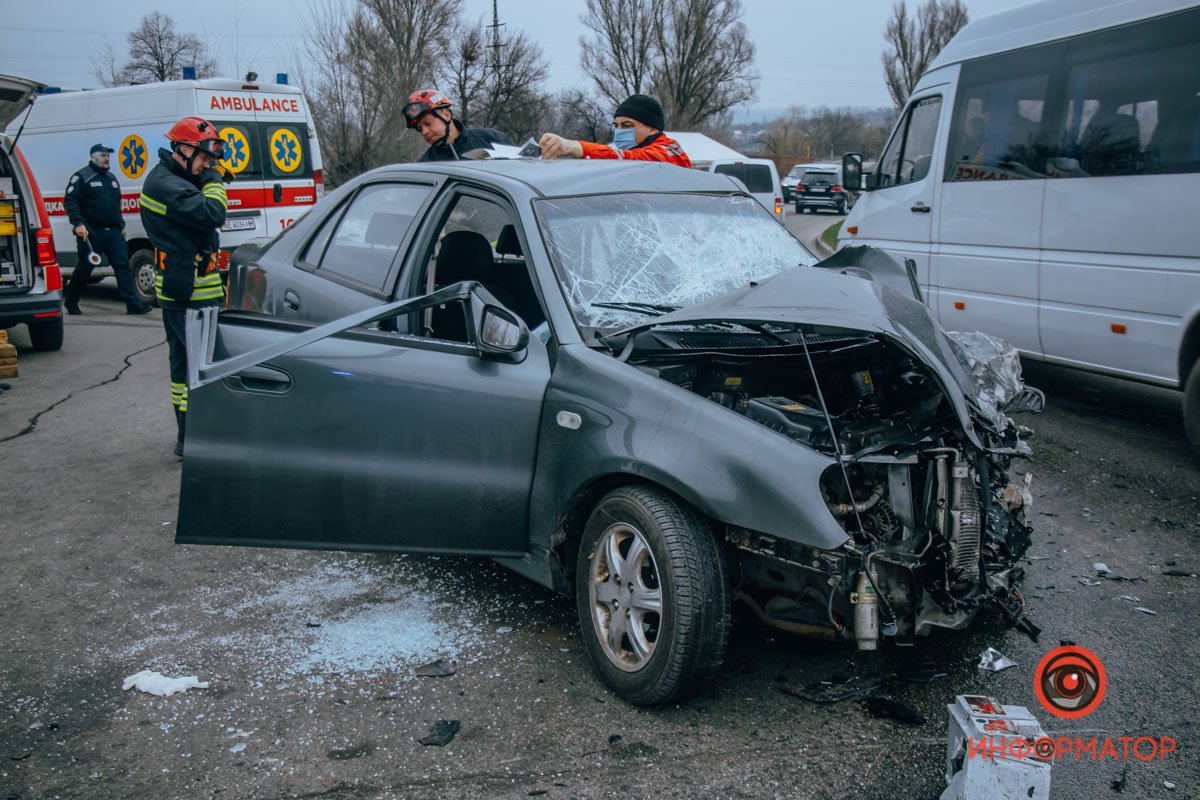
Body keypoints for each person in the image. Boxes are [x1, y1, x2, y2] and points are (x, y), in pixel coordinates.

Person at [138, 116, 229, 457]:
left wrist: (207, 178)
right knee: (199, 366)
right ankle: (197, 438)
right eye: (204, 158)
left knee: (184, 365)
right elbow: (212, 213)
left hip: (183, 285)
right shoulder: (166, 184)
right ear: (184, 149)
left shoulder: (171, 178)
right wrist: (214, 182)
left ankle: (188, 437)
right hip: (191, 291)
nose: (208, 165)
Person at [63, 144, 152, 315]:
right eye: (103, 155)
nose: (106, 159)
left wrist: (121, 225)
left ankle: (132, 304)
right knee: (85, 268)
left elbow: (115, 205)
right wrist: (78, 224)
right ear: (93, 157)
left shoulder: (111, 178)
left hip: (113, 231)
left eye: (108, 156)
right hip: (91, 231)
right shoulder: (82, 177)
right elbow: (71, 201)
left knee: (122, 266)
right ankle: (71, 300)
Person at [539, 94, 691, 167]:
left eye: (627, 125)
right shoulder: (640, 151)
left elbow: (631, 159)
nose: (619, 131)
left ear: (652, 128)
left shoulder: (667, 152)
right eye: (616, 125)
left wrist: (573, 147)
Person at [404, 90, 512, 161]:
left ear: (446, 115)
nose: (424, 132)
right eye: (420, 129)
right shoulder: (426, 165)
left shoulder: (491, 139)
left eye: (427, 123)